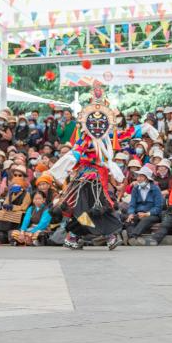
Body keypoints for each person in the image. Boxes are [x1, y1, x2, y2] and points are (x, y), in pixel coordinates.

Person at [49, 86, 129, 251]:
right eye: (94, 122)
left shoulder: (107, 139)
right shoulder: (85, 139)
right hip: (86, 177)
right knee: (84, 209)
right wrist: (64, 165)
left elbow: (111, 155)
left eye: (101, 122)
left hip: (97, 176)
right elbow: (76, 153)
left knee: (95, 209)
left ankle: (84, 235)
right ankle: (86, 236)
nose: (98, 125)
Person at [125, 165, 164, 243]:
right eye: (138, 176)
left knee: (145, 220)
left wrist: (147, 214)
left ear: (147, 179)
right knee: (129, 220)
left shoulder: (155, 189)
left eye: (141, 177)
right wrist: (131, 213)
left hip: (152, 214)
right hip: (138, 213)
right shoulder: (136, 188)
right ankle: (133, 239)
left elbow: (158, 207)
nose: (138, 179)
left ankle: (133, 236)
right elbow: (132, 204)